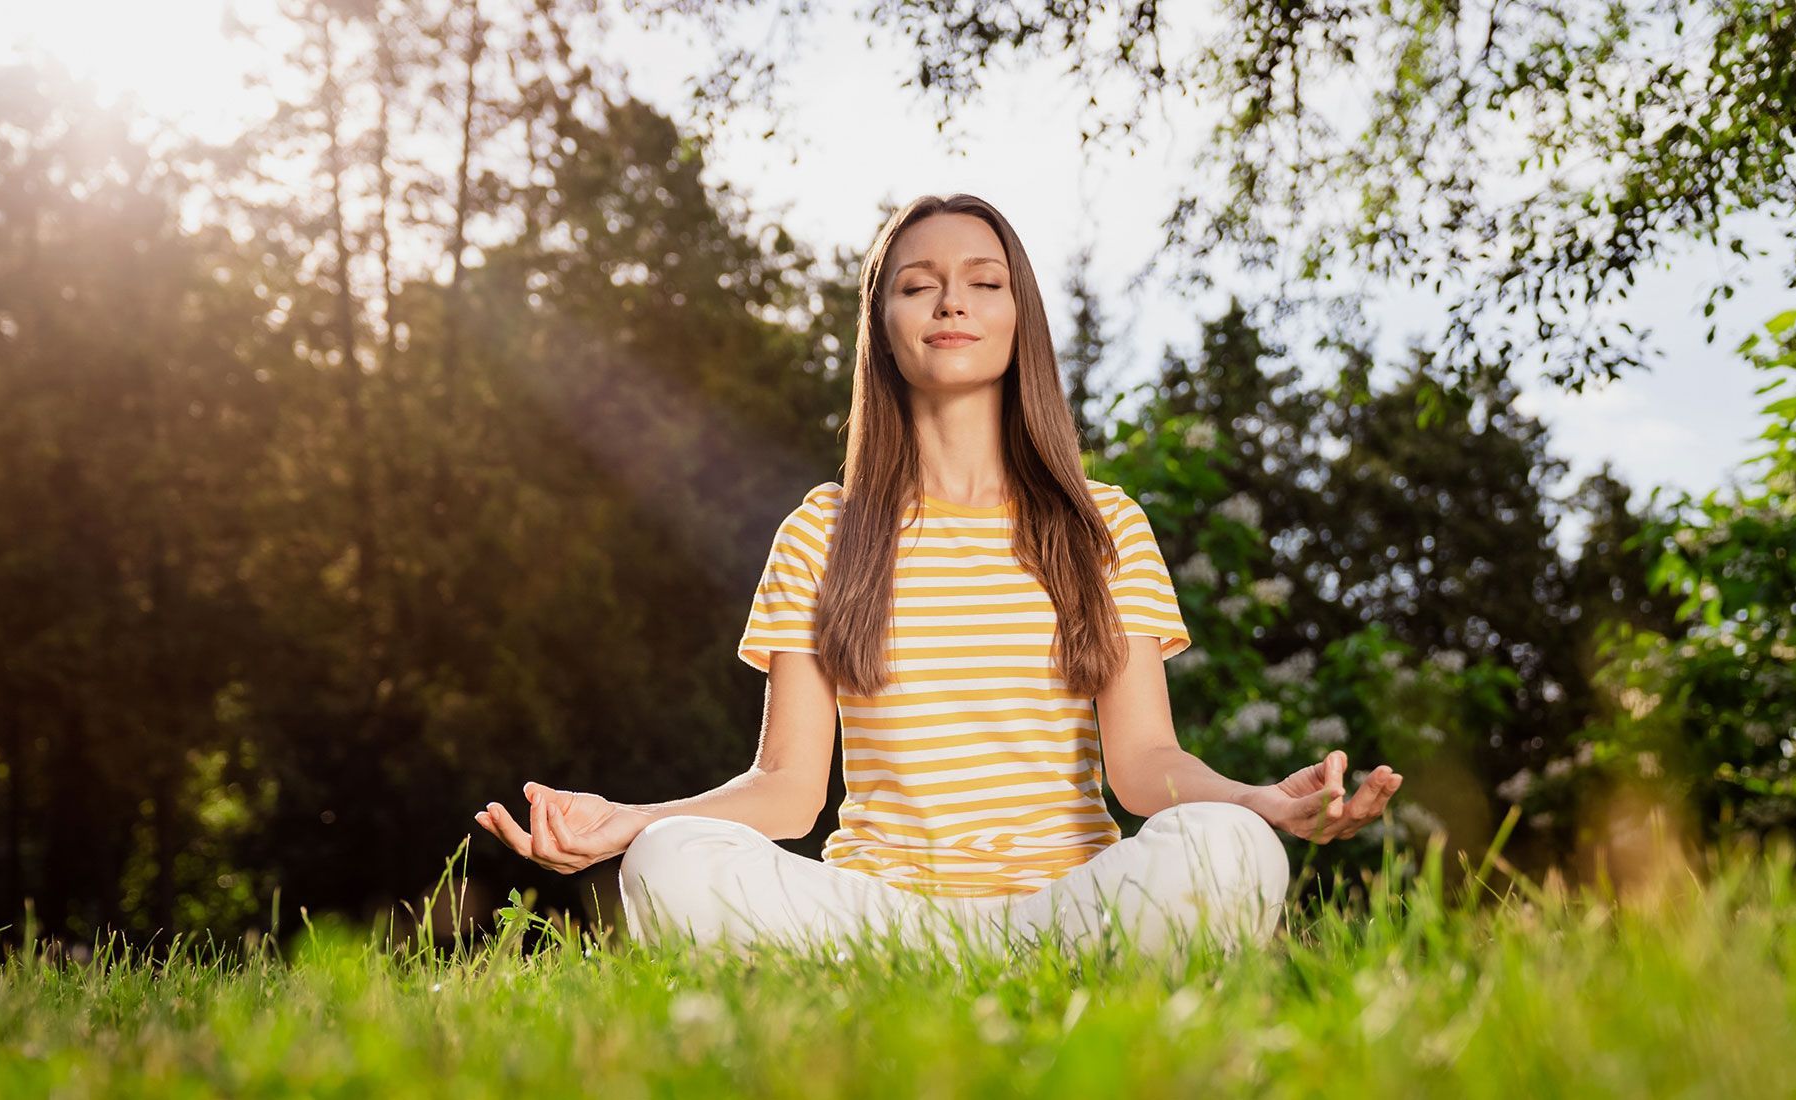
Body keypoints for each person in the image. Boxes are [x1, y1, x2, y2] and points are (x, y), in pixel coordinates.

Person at [473, 193, 1405, 965]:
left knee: (1231, 852)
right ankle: (884, 987)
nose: (951, 303)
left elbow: (1145, 766)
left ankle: (1074, 974)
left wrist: (1257, 804)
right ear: (884, 329)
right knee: (670, 862)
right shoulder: (823, 532)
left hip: (1073, 913)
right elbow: (789, 789)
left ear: (1016, 318)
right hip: (876, 923)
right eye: (917, 286)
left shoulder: (1102, 523)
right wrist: (632, 821)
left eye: (982, 282)